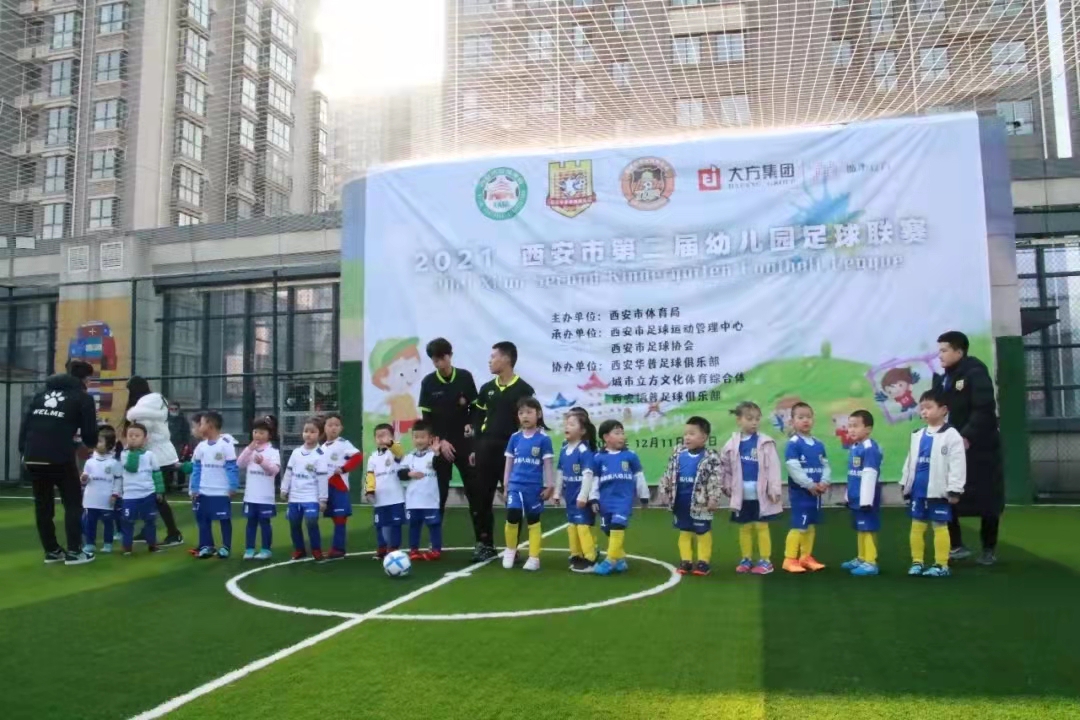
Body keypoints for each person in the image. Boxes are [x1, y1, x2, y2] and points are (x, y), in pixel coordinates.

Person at [932, 330, 1004, 565]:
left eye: (944, 350)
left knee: (988, 499)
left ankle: (988, 550)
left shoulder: (975, 372)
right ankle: (956, 545)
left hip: (981, 449)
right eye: (939, 350)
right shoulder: (943, 378)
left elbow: (984, 408)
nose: (940, 355)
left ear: (959, 352)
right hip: (951, 447)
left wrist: (966, 436)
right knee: (947, 493)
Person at [19, 359, 100, 565]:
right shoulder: (83, 398)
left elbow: (25, 425)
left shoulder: (40, 394)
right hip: (60, 456)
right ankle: (74, 551)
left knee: (43, 505)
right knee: (72, 503)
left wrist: (23, 451)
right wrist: (89, 443)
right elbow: (90, 434)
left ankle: (52, 551)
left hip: (33, 455)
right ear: (86, 379)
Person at [469, 341, 536, 561]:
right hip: (485, 450)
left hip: (511, 453)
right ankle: (484, 544)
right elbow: (478, 419)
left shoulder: (524, 389)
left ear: (506, 359)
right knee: (481, 499)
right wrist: (475, 448)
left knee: (513, 501)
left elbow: (528, 423)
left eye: (493, 356)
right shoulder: (486, 389)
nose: (489, 361)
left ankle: (512, 548)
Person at [901, 390, 967, 578]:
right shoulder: (917, 434)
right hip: (918, 490)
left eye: (929, 407)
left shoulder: (951, 435)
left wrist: (955, 489)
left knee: (940, 525)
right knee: (917, 525)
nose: (924, 412)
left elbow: (957, 464)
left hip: (939, 491)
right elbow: (910, 461)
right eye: (922, 408)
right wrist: (905, 484)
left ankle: (941, 564)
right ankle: (917, 562)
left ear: (943, 410)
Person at [719, 402, 782, 576]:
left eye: (757, 419)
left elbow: (774, 467)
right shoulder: (731, 444)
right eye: (749, 419)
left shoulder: (766, 442)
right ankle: (746, 559)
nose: (754, 422)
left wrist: (775, 489)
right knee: (745, 527)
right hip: (742, 495)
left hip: (762, 495)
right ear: (739, 420)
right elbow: (725, 467)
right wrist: (726, 485)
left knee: (762, 527)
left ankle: (765, 560)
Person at [418, 338, 478, 517]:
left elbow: (475, 408)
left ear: (450, 356)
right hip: (440, 444)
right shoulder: (428, 382)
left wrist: (471, 424)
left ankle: (481, 531)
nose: (439, 363)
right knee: (439, 492)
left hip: (464, 443)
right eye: (435, 360)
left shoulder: (465, 377)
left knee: (474, 490)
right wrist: (441, 442)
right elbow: (427, 419)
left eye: (442, 358)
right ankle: (435, 533)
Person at [658, 416, 723, 577]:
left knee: (702, 531)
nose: (687, 437)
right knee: (684, 531)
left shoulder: (711, 457)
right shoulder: (678, 454)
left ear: (704, 437)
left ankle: (703, 562)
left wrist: (713, 498)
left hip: (701, 503)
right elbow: (668, 473)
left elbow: (715, 479)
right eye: (686, 433)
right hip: (681, 501)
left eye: (692, 434)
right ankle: (685, 561)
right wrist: (663, 491)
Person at [124, 377, 184, 547]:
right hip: (162, 455)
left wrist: (131, 447)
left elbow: (144, 430)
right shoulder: (156, 402)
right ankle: (151, 530)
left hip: (157, 457)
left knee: (157, 497)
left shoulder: (144, 407)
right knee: (152, 497)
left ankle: (174, 533)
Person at [588, 419, 650, 576]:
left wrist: (644, 496)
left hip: (623, 500)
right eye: (617, 433)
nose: (622, 436)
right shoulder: (598, 458)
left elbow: (639, 476)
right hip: (605, 502)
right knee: (608, 530)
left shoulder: (630, 456)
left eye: (622, 433)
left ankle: (609, 561)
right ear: (606, 437)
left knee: (617, 526)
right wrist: (593, 498)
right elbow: (594, 480)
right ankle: (620, 559)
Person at [500, 398, 555, 571]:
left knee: (533, 520)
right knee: (513, 514)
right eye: (521, 413)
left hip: (533, 487)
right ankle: (510, 550)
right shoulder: (514, 438)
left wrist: (550, 486)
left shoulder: (544, 439)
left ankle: (534, 557)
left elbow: (548, 464)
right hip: (515, 485)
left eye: (529, 412)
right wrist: (506, 485)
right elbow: (509, 462)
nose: (525, 416)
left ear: (538, 414)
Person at [782, 402, 830, 574]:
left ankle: (806, 557)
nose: (805, 420)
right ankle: (789, 559)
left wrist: (824, 481)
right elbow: (794, 469)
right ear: (792, 421)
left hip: (816, 493)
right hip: (801, 493)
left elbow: (825, 465)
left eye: (808, 417)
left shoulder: (819, 444)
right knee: (799, 525)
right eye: (800, 417)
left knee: (810, 525)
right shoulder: (793, 444)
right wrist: (809, 485)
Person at [553, 408, 598, 572]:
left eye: (572, 424)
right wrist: (557, 492)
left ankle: (590, 558)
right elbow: (560, 472)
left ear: (583, 431)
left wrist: (583, 495)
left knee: (582, 526)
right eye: (566, 423)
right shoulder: (564, 449)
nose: (567, 427)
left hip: (580, 497)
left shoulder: (584, 451)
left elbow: (588, 474)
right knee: (572, 526)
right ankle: (576, 554)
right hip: (569, 496)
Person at [190, 411, 239, 559]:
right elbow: (196, 469)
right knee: (203, 519)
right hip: (204, 491)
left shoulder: (226, 445)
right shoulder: (201, 446)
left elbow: (232, 467)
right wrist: (194, 488)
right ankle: (207, 546)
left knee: (224, 519)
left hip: (221, 491)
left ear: (210, 425)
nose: (199, 427)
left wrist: (232, 486)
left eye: (202, 424)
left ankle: (225, 547)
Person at [840, 410, 885, 577]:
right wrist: (848, 496)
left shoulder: (870, 448)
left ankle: (871, 562)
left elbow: (869, 475)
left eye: (855, 426)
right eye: (849, 426)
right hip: (856, 497)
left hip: (866, 499)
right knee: (861, 528)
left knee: (868, 529)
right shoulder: (854, 447)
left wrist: (866, 501)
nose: (851, 429)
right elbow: (852, 475)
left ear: (868, 429)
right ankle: (861, 558)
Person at [281, 416, 328, 562]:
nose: (308, 434)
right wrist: (284, 488)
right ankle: (299, 549)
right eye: (306, 431)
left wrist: (323, 499)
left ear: (320, 434)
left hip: (311, 497)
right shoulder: (296, 452)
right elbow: (289, 471)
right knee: (294, 523)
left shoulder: (320, 455)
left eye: (312, 432)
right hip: (294, 497)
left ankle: (316, 549)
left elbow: (322, 478)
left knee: (311, 521)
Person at [397, 421, 444, 561]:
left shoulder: (434, 455)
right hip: (413, 501)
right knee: (414, 526)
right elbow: (400, 473)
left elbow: (441, 467)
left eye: (422, 437)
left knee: (434, 525)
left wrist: (437, 453)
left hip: (430, 500)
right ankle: (414, 550)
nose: (419, 440)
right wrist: (409, 474)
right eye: (416, 437)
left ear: (430, 438)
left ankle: (436, 550)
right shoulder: (409, 457)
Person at [117, 423, 164, 555]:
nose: (133, 438)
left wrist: (159, 491)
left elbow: (157, 473)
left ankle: (152, 544)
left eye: (137, 436)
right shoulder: (124, 454)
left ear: (145, 439)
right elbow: (132, 467)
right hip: (130, 496)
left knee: (150, 520)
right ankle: (127, 546)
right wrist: (134, 452)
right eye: (130, 435)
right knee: (127, 521)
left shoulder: (150, 455)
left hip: (148, 494)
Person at [237, 415, 281, 560]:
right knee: (251, 523)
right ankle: (249, 549)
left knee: (265, 523)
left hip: (265, 497)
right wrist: (249, 449)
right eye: (255, 432)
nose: (257, 435)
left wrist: (262, 462)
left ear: (270, 434)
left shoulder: (273, 452)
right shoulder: (250, 450)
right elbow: (239, 464)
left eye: (262, 432)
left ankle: (266, 549)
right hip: (250, 496)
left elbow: (274, 470)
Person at [321, 413, 363, 561]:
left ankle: (338, 549)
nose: (333, 428)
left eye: (336, 425)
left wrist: (344, 469)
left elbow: (358, 456)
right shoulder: (321, 447)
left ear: (341, 428)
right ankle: (321, 548)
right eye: (330, 425)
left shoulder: (344, 443)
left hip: (339, 486)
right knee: (333, 517)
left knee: (340, 517)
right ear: (324, 428)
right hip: (324, 487)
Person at [365, 423, 406, 560]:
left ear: (392, 437)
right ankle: (382, 547)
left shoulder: (394, 452)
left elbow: (399, 451)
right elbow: (370, 476)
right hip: (380, 499)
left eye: (384, 435)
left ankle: (394, 548)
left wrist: (390, 443)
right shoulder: (372, 457)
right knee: (380, 524)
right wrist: (369, 491)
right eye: (378, 436)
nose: (381, 438)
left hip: (396, 498)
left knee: (395, 524)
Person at [80, 425, 122, 555]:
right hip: (91, 498)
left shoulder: (114, 463)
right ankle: (90, 544)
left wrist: (115, 495)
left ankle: (108, 544)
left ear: (109, 445)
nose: (96, 443)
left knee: (108, 522)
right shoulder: (90, 462)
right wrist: (84, 478)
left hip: (106, 499)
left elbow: (118, 480)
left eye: (99, 441)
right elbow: (85, 479)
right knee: (90, 523)